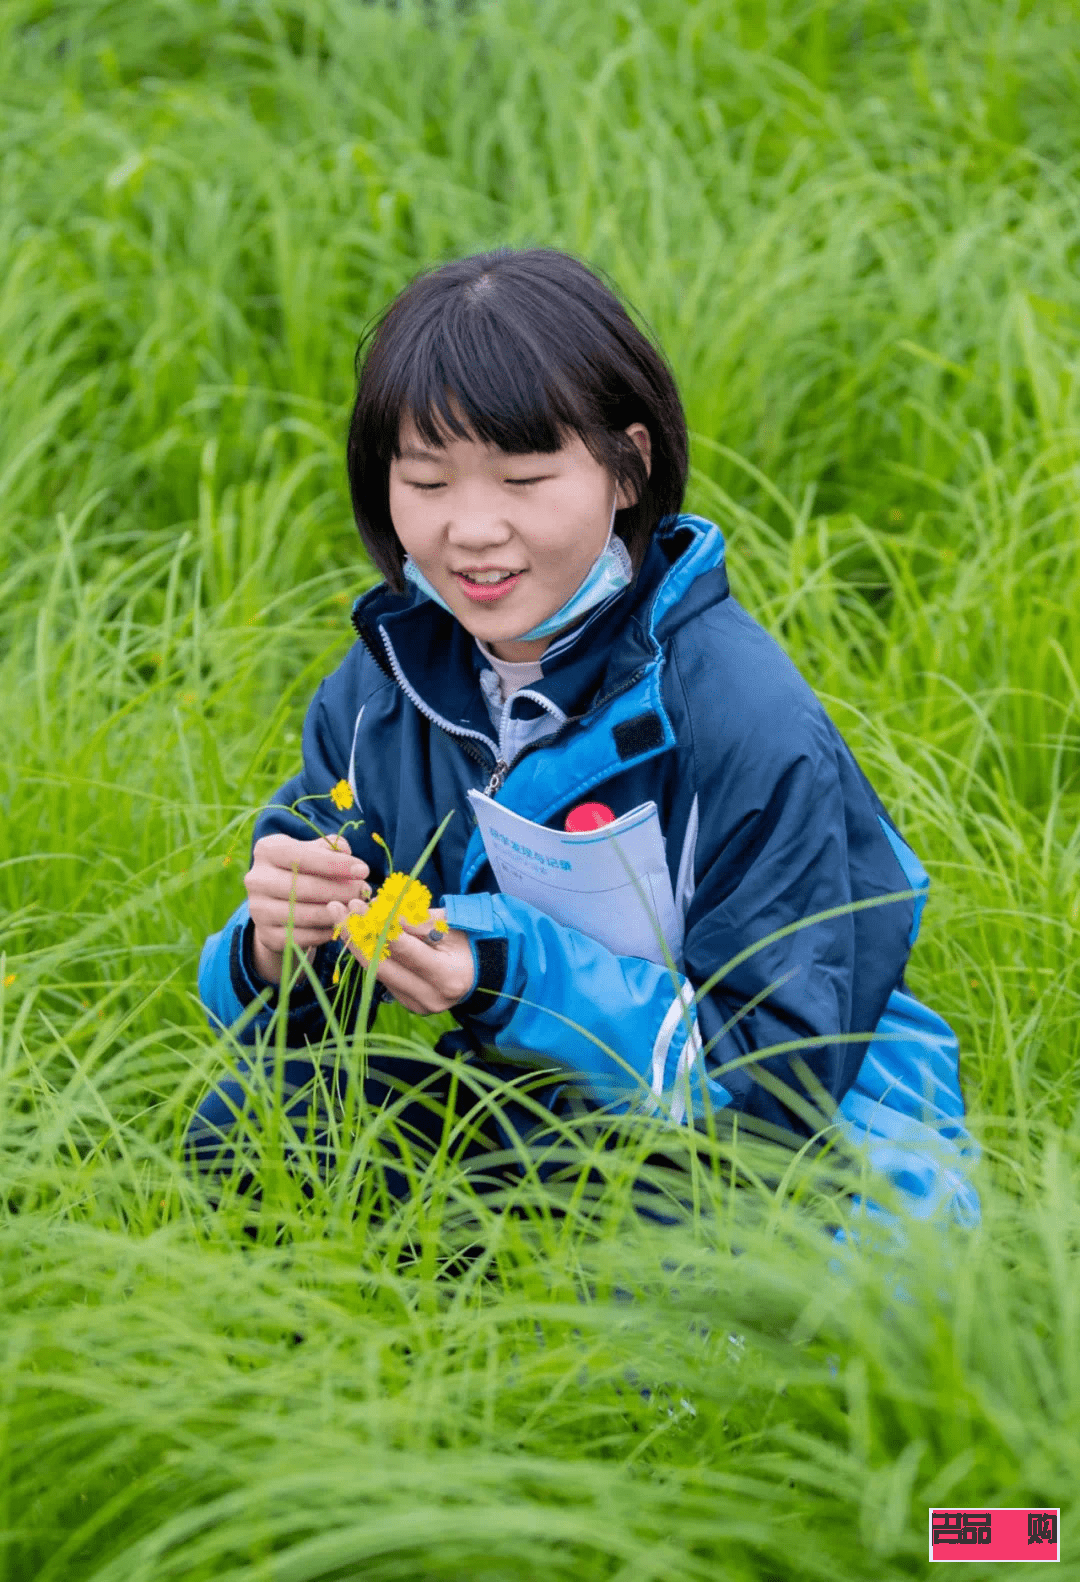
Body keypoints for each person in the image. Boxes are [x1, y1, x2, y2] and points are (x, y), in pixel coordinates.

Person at [192, 247, 980, 1230]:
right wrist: (278, 945)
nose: (473, 529)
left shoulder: (742, 717)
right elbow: (301, 1015)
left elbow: (777, 1085)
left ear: (628, 467)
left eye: (523, 478)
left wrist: (508, 972)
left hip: (805, 1154)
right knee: (251, 1123)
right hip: (555, 1112)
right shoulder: (386, 687)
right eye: (427, 481)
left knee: (663, 1285)